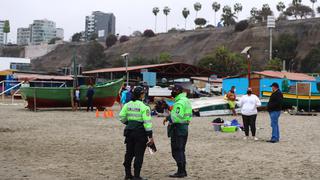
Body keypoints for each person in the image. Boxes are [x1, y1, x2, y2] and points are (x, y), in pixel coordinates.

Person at [119, 86, 154, 180]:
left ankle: (128, 174)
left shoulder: (127, 104)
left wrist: (129, 123)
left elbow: (121, 117)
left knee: (129, 154)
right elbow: (147, 123)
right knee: (139, 155)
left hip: (129, 132)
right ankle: (137, 176)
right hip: (140, 133)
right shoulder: (144, 107)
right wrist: (150, 136)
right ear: (141, 95)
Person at [163, 85, 192, 178]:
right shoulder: (186, 100)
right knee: (181, 150)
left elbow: (176, 117)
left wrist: (169, 117)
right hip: (184, 128)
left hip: (178, 129)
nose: (172, 92)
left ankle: (181, 171)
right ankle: (183, 171)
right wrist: (168, 117)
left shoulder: (179, 102)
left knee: (176, 151)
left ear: (178, 91)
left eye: (173, 91)